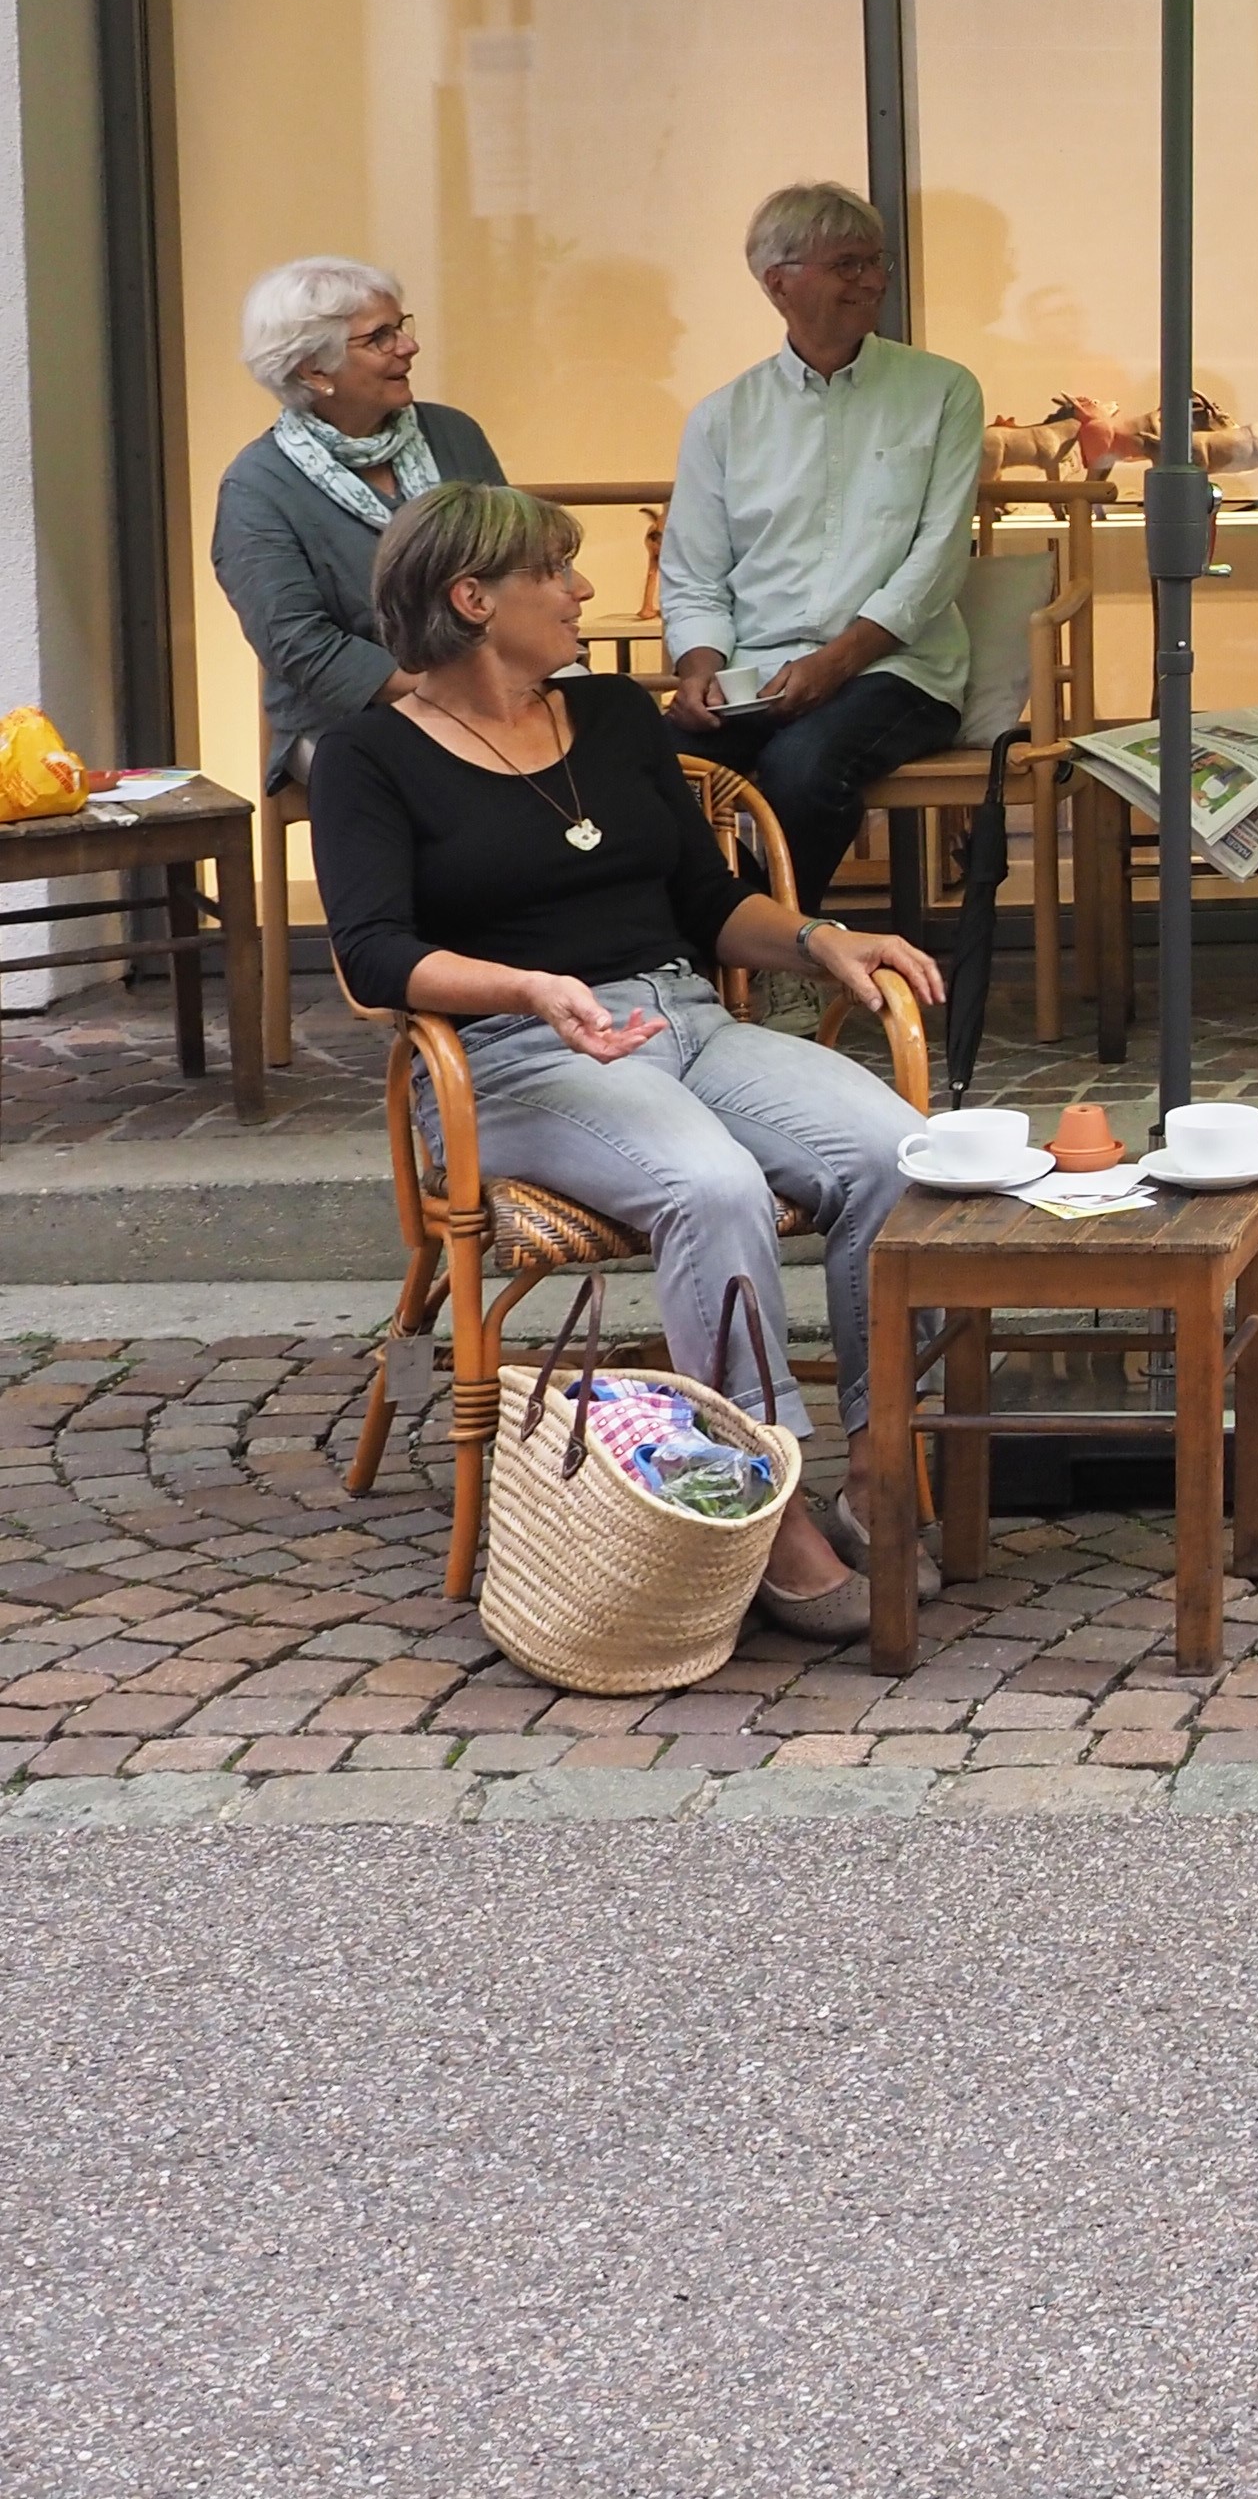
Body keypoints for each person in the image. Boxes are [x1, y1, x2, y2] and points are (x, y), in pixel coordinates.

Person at [309, 482, 946, 1646]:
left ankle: (877, 1464)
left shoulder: (611, 716)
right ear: (472, 599)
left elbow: (707, 903)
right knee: (710, 1188)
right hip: (509, 1057)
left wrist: (820, 939)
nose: (584, 591)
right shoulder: (366, 758)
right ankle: (759, 1506)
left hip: (683, 1020)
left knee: (896, 1155)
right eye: (556, 571)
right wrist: (526, 988)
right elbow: (372, 954)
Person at [658, 183, 986, 906]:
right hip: (755, 677)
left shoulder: (943, 391)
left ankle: (772, 955)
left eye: (876, 262)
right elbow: (693, 575)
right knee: (641, 768)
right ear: (780, 282)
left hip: (897, 670)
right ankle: (754, 943)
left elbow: (936, 561)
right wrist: (700, 671)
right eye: (846, 264)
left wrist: (835, 663)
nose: (870, 281)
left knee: (802, 767)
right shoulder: (722, 417)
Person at [207, 255, 501, 786]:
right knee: (462, 781)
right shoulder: (257, 486)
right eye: (380, 338)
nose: (408, 347)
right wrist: (447, 695)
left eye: (401, 328)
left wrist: (508, 679)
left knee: (593, 733)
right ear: (313, 369)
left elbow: (517, 562)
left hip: (494, 682)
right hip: (347, 717)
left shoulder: (454, 434)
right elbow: (300, 643)